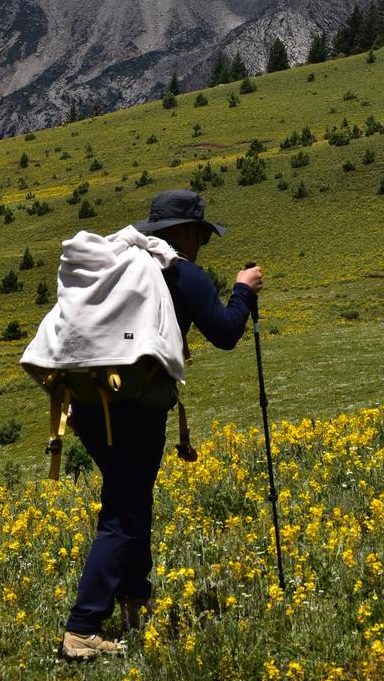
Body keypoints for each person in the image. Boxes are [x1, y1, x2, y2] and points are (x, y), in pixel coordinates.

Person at [61, 189, 263, 661]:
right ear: (188, 233)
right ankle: (82, 627)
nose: (201, 246)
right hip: (136, 407)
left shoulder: (121, 266)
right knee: (121, 512)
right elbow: (227, 332)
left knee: (131, 503)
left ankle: (135, 601)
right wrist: (242, 291)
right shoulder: (180, 273)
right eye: (202, 236)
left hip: (91, 404)